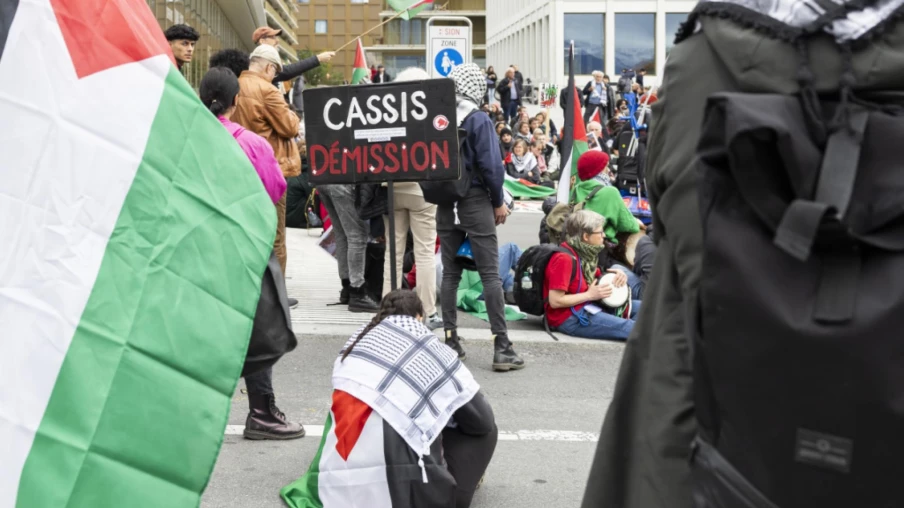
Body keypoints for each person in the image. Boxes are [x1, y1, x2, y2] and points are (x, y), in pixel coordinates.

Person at [280, 290, 498, 508]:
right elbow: (482, 421)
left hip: (338, 483)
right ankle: (455, 492)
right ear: (419, 317)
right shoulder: (430, 348)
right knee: (483, 429)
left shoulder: (356, 346)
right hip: (407, 490)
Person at [199, 67, 302, 441]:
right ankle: (261, 412)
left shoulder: (184, 142)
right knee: (255, 331)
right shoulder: (253, 144)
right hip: (242, 253)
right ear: (236, 101)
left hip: (194, 252)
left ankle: (189, 413)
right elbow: (274, 192)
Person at [441, 63, 524, 371]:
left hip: (444, 201)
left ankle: (451, 339)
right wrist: (498, 201)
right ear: (476, 87)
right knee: (490, 274)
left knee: (450, 274)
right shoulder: (478, 119)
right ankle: (502, 346)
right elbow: (491, 166)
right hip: (474, 200)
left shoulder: (440, 117)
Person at [232, 45, 300, 306]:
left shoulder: (235, 86)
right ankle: (276, 297)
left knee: (248, 231)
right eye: (275, 71)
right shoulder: (268, 90)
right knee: (275, 235)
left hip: (241, 168)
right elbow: (290, 126)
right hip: (270, 169)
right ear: (269, 67)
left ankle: (247, 289)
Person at [381, 68, 442, 329]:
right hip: (422, 186)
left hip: (390, 184)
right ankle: (427, 310)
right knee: (424, 250)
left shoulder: (385, 112)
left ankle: (388, 308)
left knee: (391, 251)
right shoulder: (427, 112)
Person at [544, 210, 640, 340]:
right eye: (600, 232)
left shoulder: (586, 254)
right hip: (569, 318)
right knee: (633, 328)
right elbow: (555, 301)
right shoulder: (564, 259)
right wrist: (589, 295)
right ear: (585, 236)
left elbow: (596, 277)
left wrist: (617, 275)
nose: (604, 235)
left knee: (648, 308)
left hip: (590, 305)